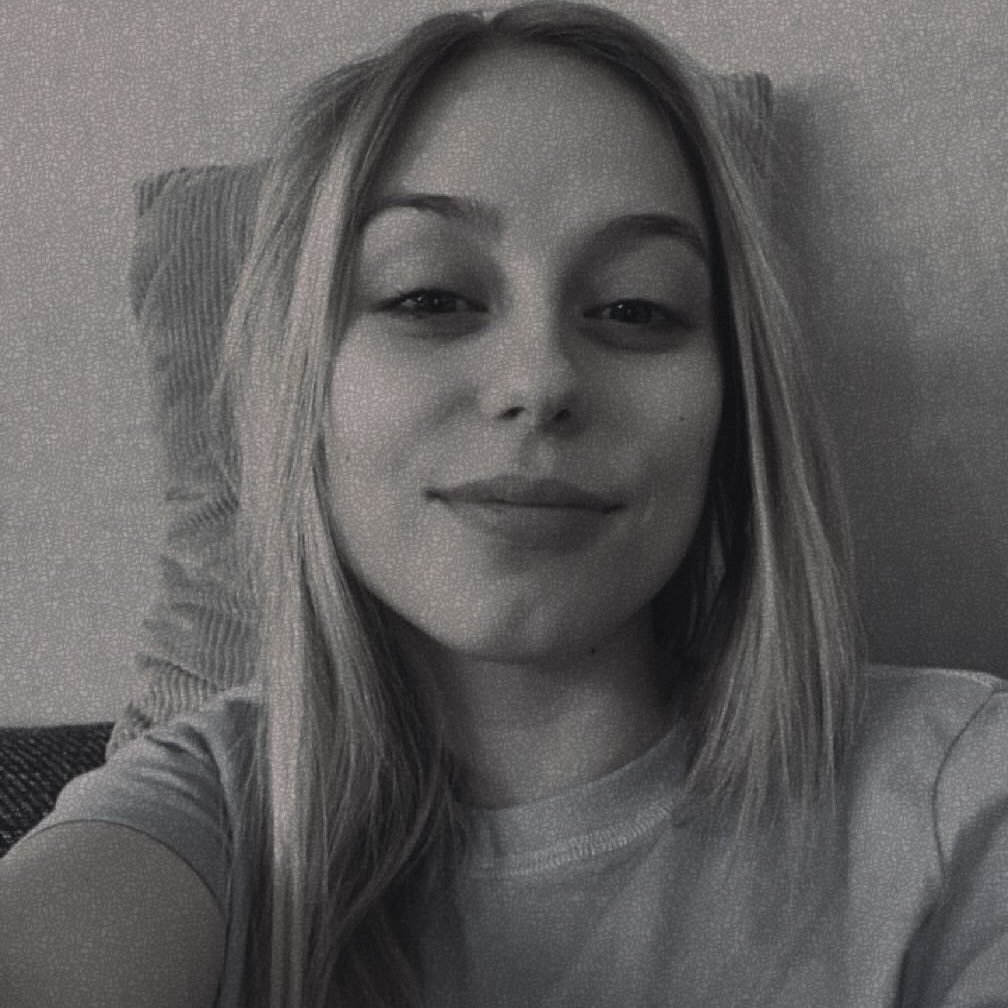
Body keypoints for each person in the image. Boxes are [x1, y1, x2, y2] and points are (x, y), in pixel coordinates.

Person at [2, 3, 1007, 1006]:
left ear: (736, 402)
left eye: (636, 307)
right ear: (305, 387)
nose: (541, 380)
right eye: (429, 297)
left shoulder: (960, 792)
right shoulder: (202, 808)